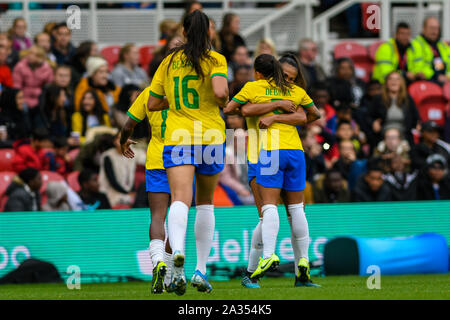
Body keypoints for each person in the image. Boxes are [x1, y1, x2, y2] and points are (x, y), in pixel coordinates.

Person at [146, 11, 229, 295]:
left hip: (179, 135)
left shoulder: (168, 62)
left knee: (180, 199)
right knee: (205, 202)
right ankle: (201, 270)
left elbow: (153, 103)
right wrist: (224, 98)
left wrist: (176, 99)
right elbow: (220, 92)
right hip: (211, 134)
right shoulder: (215, 59)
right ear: (208, 32)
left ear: (184, 30)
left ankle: (177, 254)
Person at [224, 54, 319, 288]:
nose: (287, 79)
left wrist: (274, 112)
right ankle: (299, 268)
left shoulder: (262, 89)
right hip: (283, 154)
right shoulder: (285, 93)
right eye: (284, 75)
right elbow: (244, 111)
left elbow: (235, 109)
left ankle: (258, 269)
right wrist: (277, 107)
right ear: (275, 70)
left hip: (266, 154)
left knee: (269, 214)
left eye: (292, 78)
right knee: (291, 212)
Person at [120, 85, 173, 294]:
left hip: (156, 158)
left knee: (158, 217)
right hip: (183, 159)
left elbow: (128, 125)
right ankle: (169, 273)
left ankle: (157, 261)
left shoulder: (150, 92)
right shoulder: (188, 88)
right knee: (179, 216)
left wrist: (123, 140)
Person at [367, 71, 420, 147]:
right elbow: (368, 116)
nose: (393, 82)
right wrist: (373, 123)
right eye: (390, 79)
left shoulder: (408, 99)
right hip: (382, 136)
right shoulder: (378, 99)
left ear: (401, 83)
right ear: (386, 83)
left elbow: (416, 118)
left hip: (404, 136)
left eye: (397, 79)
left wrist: (418, 126)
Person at [12, 45, 54, 111]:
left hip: (40, 97)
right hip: (24, 97)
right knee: (24, 111)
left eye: (35, 55)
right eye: (30, 53)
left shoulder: (46, 68)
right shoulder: (20, 66)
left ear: (41, 57)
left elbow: (49, 84)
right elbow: (17, 86)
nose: (30, 56)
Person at [410, 17, 450, 85]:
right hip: (424, 83)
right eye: (431, 28)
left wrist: (447, 77)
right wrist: (436, 76)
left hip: (445, 83)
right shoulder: (415, 44)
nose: (434, 31)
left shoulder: (443, 46)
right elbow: (417, 69)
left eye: (436, 28)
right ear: (424, 29)